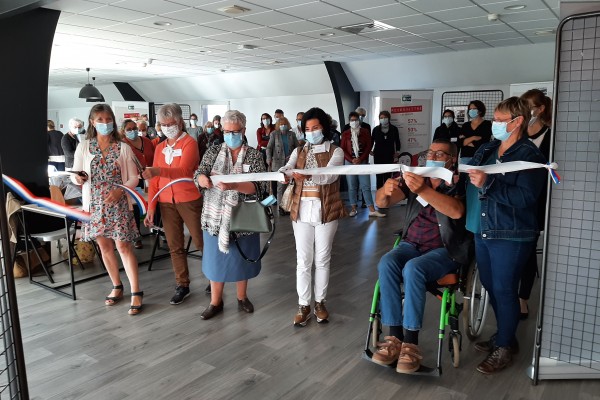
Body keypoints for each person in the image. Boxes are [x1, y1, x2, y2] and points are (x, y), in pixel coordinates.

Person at [371, 139, 470, 373]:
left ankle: (411, 343)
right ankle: (394, 338)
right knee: (387, 262)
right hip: (411, 244)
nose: (432, 157)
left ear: (452, 159)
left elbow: (456, 211)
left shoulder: (460, 182)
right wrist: (384, 191)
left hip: (444, 249)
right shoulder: (418, 178)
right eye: (430, 152)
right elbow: (383, 202)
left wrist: (423, 191)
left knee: (414, 268)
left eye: (440, 153)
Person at [465, 97, 546, 374]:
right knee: (491, 285)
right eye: (495, 120)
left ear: (517, 121)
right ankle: (505, 337)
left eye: (500, 121)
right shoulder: (489, 148)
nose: (495, 124)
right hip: (483, 229)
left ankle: (503, 347)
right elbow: (471, 173)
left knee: (504, 289)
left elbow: (525, 197)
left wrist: (488, 183)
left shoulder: (529, 156)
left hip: (511, 234)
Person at [71, 104, 143, 315]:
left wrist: (121, 191)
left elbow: (134, 178)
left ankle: (136, 291)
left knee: (124, 247)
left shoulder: (123, 147)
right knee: (104, 247)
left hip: (118, 204)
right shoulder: (84, 146)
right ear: (92, 122)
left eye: (108, 119)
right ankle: (116, 286)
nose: (105, 123)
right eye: (100, 119)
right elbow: (75, 174)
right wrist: (78, 178)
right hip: (94, 205)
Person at [194, 110, 266, 320]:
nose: (230, 135)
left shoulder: (253, 155)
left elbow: (259, 187)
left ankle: (242, 297)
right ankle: (215, 302)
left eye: (234, 132)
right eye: (226, 131)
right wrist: (201, 179)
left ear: (243, 130)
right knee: (216, 261)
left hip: (243, 216)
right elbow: (199, 173)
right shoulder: (213, 151)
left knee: (242, 260)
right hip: (215, 217)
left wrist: (234, 186)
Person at [280, 107, 346, 326]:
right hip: (301, 211)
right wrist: (285, 173)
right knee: (303, 260)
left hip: (326, 210)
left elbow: (329, 176)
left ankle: (320, 302)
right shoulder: (299, 150)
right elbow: (288, 167)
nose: (311, 132)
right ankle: (303, 305)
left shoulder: (336, 151)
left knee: (323, 259)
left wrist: (306, 174)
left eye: (315, 127)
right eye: (307, 129)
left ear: (324, 128)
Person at [143, 103, 205, 305]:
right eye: (163, 124)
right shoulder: (160, 147)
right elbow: (154, 181)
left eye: (170, 123)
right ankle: (182, 284)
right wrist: (151, 207)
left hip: (189, 200)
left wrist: (158, 171)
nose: (167, 127)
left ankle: (213, 277)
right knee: (174, 245)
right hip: (166, 202)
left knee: (201, 241)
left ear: (179, 122)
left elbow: (185, 171)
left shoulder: (189, 143)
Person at [518, 89, 552, 319]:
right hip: (513, 201)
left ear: (540, 109)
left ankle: (523, 298)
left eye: (528, 107)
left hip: (538, 202)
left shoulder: (551, 136)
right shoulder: (517, 135)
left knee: (529, 249)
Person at [341, 112, 385, 217]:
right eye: (352, 120)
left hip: (363, 162)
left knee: (366, 186)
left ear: (359, 120)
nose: (354, 122)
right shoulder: (345, 133)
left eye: (356, 119)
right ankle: (353, 208)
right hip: (349, 163)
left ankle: (372, 210)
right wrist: (352, 160)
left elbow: (368, 147)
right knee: (352, 186)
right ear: (349, 121)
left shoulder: (365, 132)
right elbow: (342, 149)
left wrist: (360, 159)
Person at [122, 119, 155, 249]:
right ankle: (136, 236)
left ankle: (158, 230)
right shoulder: (123, 144)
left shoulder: (146, 141)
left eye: (134, 128)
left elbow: (154, 157)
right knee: (135, 206)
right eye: (129, 129)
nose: (133, 131)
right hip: (134, 179)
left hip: (150, 176)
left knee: (154, 201)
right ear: (123, 131)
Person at [266, 116, 299, 215]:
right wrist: (268, 158)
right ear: (278, 125)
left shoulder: (292, 134)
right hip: (277, 163)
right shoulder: (274, 134)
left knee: (289, 185)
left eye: (284, 124)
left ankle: (288, 206)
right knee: (280, 187)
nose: (283, 126)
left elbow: (297, 147)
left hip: (290, 163)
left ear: (287, 125)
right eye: (281, 124)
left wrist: (293, 156)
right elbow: (269, 148)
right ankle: (281, 207)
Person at [371, 111, 400, 189]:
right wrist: (370, 150)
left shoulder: (394, 129)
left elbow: (397, 141)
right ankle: (379, 192)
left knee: (388, 176)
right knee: (379, 176)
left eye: (385, 117)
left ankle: (388, 193)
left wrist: (397, 151)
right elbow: (371, 141)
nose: (383, 119)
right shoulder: (375, 129)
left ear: (389, 118)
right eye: (381, 118)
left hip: (389, 155)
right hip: (378, 155)